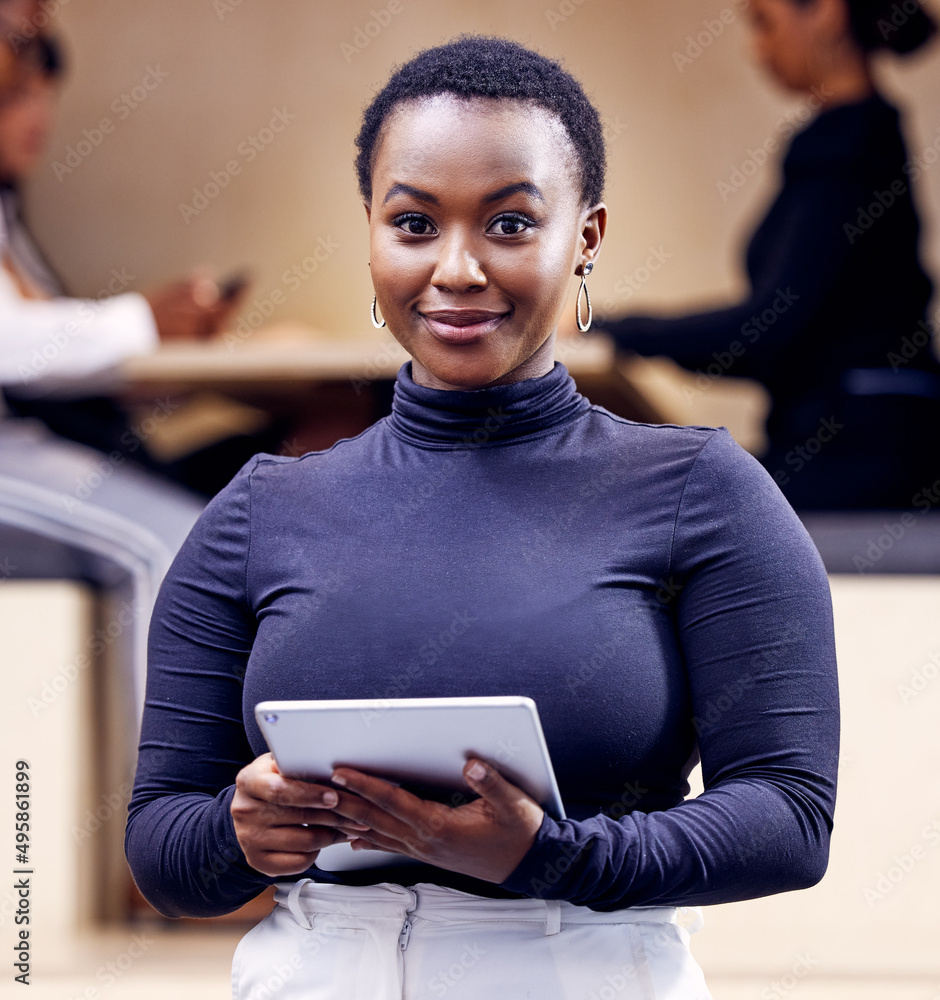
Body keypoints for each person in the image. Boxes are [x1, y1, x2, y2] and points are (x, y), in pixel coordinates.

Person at [125, 37, 839, 999]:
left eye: (509, 223)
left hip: (584, 967)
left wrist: (553, 855)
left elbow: (790, 816)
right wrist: (238, 834)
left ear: (584, 237)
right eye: (414, 223)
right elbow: (161, 849)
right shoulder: (260, 509)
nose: (456, 268)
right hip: (315, 973)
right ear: (373, 230)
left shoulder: (701, 491)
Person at [597, 0, 939, 510]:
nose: (756, 49)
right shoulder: (858, 136)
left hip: (861, 456)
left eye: (763, 23)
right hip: (852, 443)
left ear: (826, 11)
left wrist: (610, 329)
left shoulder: (849, 146)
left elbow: (767, 331)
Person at [0, 32, 285, 497]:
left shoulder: (14, 228)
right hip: (61, 470)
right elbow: (12, 353)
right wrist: (144, 321)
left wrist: (189, 356)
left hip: (104, 451)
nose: (38, 117)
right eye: (17, 96)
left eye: (43, 96)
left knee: (328, 434)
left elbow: (66, 382)